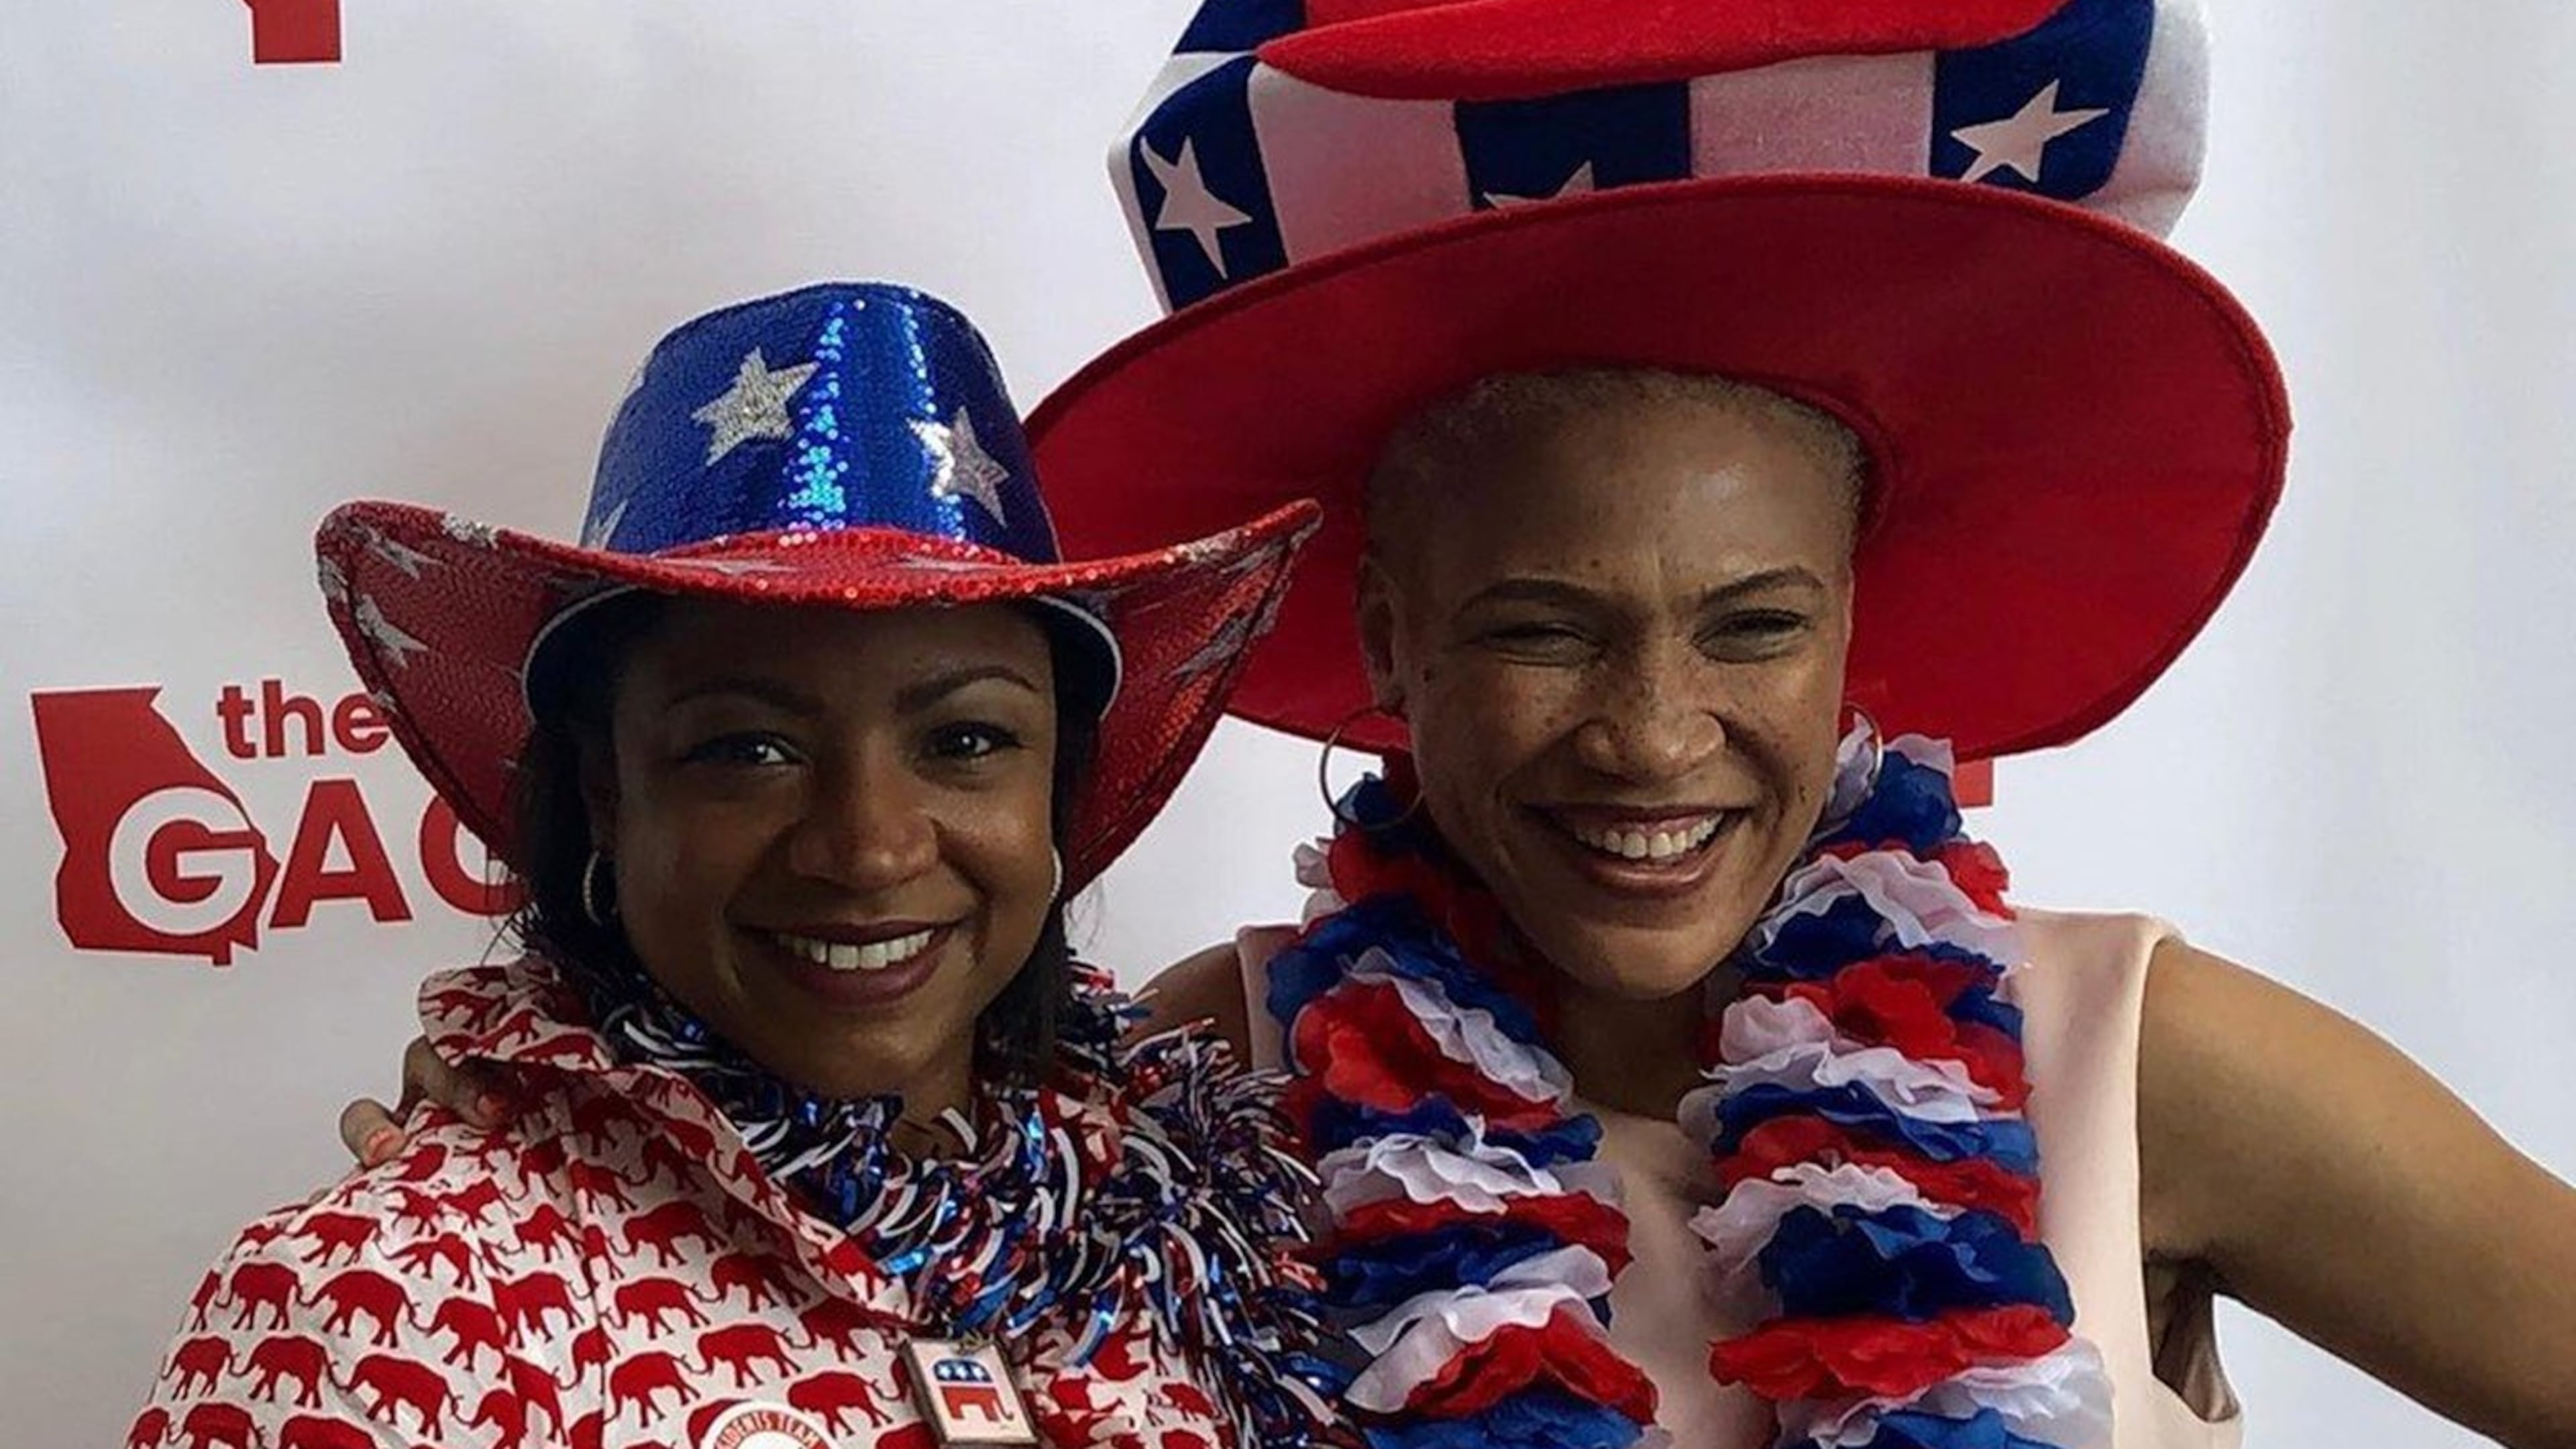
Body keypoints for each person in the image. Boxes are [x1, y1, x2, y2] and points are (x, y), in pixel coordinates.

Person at [345, 5, 2576, 1448]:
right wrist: (555, 1155)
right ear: (1384, 631)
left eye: (1753, 625)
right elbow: (808, 1194)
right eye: (1538, 625)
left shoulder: (2128, 1053)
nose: (1655, 733)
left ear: (1856, 633)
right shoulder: (1198, 1111)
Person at [133, 282, 1339, 1449]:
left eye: (966, 740)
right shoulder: (389, 1309)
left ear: (1054, 785)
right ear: (606, 792)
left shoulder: (1207, 1212)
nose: (868, 848)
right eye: (746, 749)